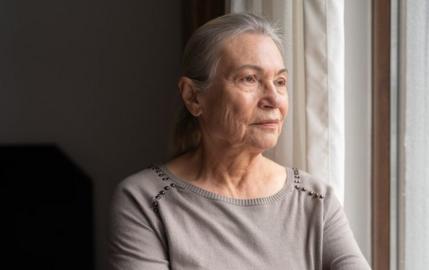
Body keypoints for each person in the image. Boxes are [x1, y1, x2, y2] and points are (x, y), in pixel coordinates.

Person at [108, 12, 371, 270]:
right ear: (193, 98)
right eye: (249, 79)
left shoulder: (316, 200)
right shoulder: (146, 200)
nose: (274, 99)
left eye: (280, 82)